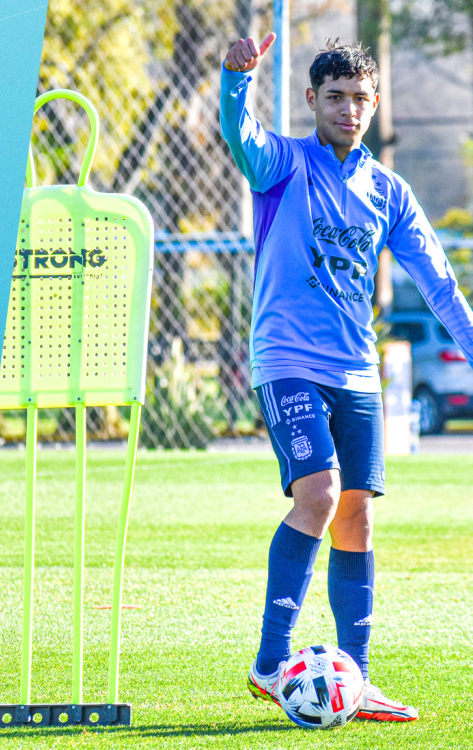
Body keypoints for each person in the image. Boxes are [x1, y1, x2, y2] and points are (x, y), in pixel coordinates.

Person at [219, 34, 473, 722]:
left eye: (360, 98)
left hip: (357, 373)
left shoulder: (389, 191)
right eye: (335, 97)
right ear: (312, 100)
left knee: (357, 515)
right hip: (287, 362)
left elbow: (438, 283)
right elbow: (240, 135)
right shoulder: (283, 164)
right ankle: (270, 664)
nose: (348, 109)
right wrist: (236, 80)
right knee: (322, 493)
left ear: (375, 102)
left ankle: (355, 680)